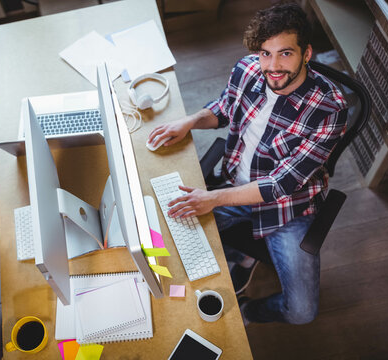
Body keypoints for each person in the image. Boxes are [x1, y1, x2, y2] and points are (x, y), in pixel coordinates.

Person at [147, 3, 348, 325]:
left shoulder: (330, 108)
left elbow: (281, 185)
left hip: (287, 207)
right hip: (234, 186)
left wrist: (212, 198)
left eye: (285, 53)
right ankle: (241, 256)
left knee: (301, 313)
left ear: (306, 53)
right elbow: (224, 108)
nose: (273, 66)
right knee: (167, 233)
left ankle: (248, 312)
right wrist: (189, 121)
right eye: (265, 54)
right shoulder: (247, 69)